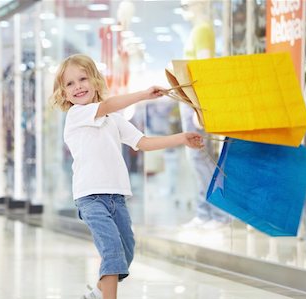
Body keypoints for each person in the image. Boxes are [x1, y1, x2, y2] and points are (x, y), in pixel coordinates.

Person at [52, 54, 204, 299]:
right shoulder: (76, 115)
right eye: (69, 83)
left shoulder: (113, 120)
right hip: (90, 198)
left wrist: (182, 138)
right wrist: (143, 94)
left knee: (126, 253)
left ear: (95, 81)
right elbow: (107, 105)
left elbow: (142, 142)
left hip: (117, 198)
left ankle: (96, 293)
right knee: (112, 251)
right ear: (63, 93)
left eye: (83, 78)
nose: (78, 86)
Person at [179, 0, 230, 229]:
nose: (185, 6)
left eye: (189, 3)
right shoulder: (198, 30)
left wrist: (197, 106)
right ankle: (205, 212)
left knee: (201, 158)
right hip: (190, 100)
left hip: (194, 101)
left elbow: (204, 71)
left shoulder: (203, 30)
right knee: (197, 158)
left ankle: (217, 214)